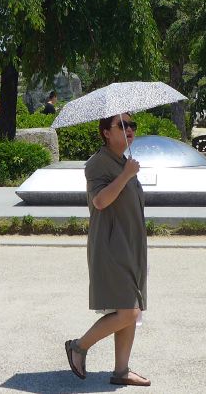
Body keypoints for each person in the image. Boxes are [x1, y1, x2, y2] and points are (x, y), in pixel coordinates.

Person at [66, 113, 149, 387]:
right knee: (129, 311)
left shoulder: (125, 161)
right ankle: (78, 346)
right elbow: (100, 201)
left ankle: (121, 370)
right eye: (122, 125)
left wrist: (127, 171)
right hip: (111, 246)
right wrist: (126, 175)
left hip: (131, 245)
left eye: (132, 125)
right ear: (105, 132)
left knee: (130, 307)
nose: (129, 130)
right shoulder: (97, 163)